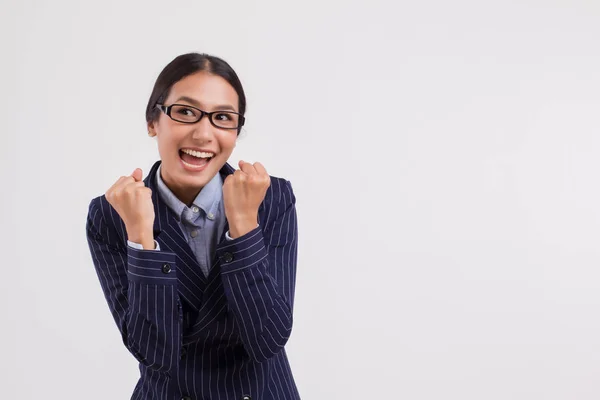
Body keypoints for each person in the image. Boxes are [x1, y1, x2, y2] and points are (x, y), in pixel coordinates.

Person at [85, 53, 300, 400]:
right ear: (153, 121)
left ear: (236, 131)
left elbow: (267, 339)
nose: (203, 134)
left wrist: (244, 226)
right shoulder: (111, 214)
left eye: (222, 118)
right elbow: (154, 353)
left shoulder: (272, 198)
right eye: (185, 112)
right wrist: (142, 240)